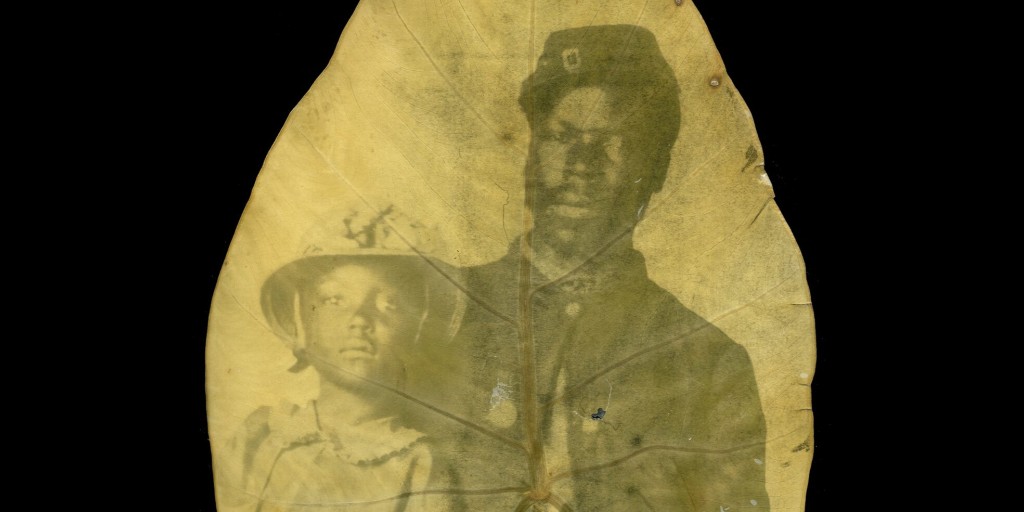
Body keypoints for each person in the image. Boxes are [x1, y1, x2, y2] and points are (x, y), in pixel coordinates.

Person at [446, 25, 771, 511]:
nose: (583, 161)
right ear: (530, 156)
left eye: (613, 141)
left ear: (656, 168)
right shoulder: (440, 313)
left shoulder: (707, 363)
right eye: (562, 137)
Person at [216, 207, 461, 512]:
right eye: (334, 300)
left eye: (389, 304)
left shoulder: (420, 464)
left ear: (418, 329)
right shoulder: (261, 435)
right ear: (302, 321)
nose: (359, 319)